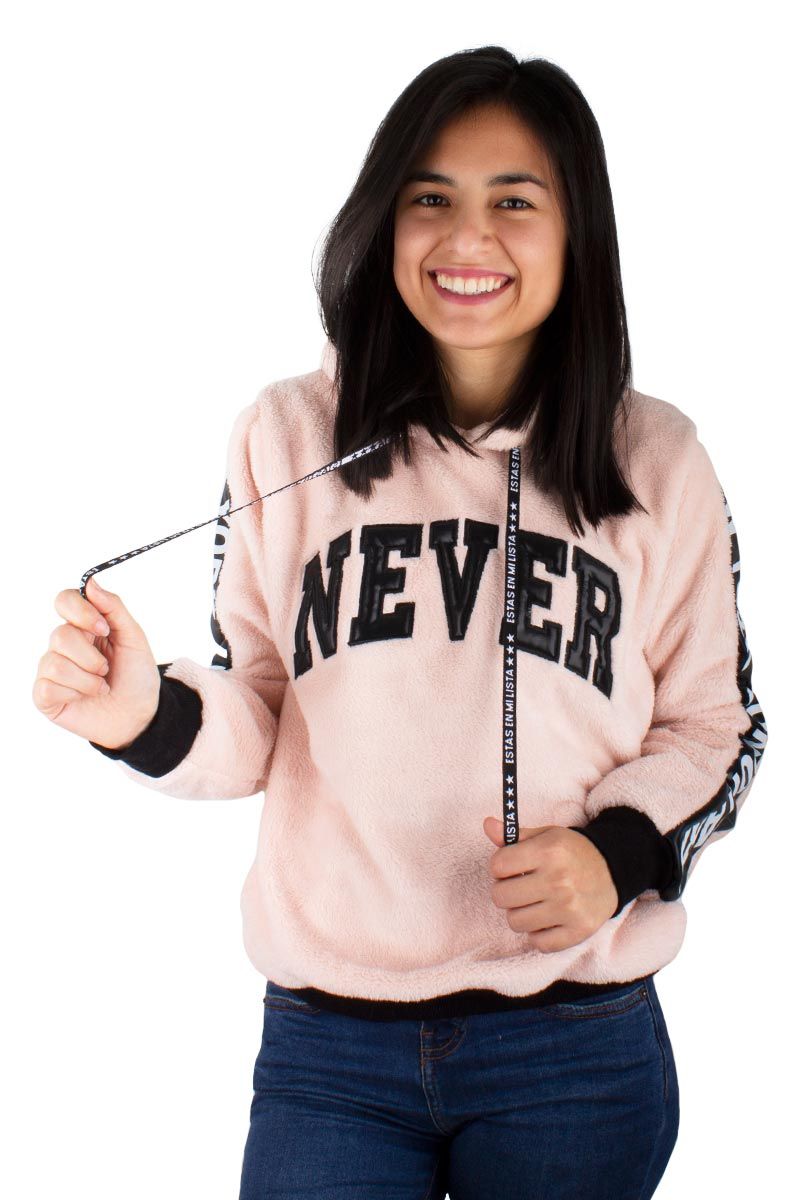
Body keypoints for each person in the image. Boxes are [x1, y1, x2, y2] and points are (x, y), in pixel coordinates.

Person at [32, 46, 768, 1200]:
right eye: (429, 198)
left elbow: (717, 729)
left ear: (577, 233)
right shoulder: (283, 436)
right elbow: (259, 706)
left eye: (513, 202)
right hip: (330, 1047)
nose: (465, 238)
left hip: (571, 1047)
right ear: (382, 220)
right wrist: (143, 714)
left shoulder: (658, 460)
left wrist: (615, 857)